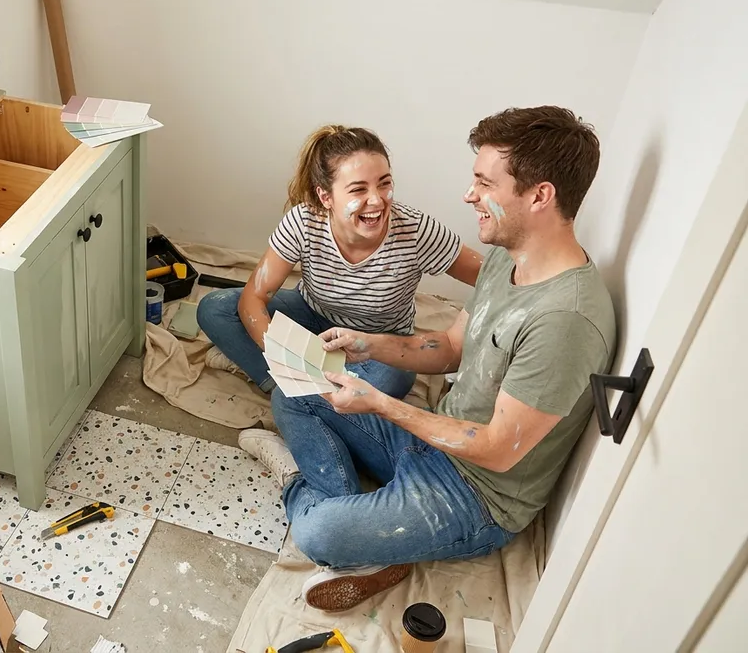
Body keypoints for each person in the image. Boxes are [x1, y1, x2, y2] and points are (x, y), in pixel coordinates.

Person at [238, 106, 617, 612]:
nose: (469, 195)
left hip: (477, 495)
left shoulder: (566, 321)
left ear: (539, 195)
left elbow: (498, 451)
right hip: (437, 437)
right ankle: (367, 531)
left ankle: (299, 483)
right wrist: (365, 344)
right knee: (297, 399)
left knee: (317, 533)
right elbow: (450, 348)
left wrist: (381, 403)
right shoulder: (509, 257)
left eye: (485, 183)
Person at [197, 125, 484, 401]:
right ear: (326, 197)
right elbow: (254, 298)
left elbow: (491, 275)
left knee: (392, 380)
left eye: (384, 184)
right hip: (311, 316)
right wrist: (283, 356)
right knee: (215, 308)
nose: (377, 201)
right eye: (358, 190)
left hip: (378, 342)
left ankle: (303, 399)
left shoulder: (416, 230)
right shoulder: (303, 221)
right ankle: (283, 388)